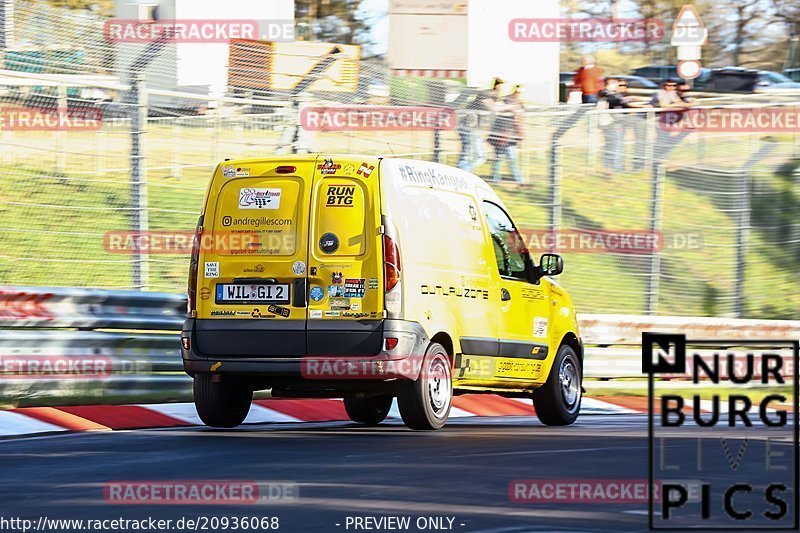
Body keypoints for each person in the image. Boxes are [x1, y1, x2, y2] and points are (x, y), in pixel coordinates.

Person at [600, 78, 649, 173]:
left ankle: (614, 167)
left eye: (623, 85)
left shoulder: (616, 95)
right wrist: (643, 106)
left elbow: (624, 101)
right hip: (612, 124)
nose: (619, 86)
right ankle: (616, 168)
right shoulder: (608, 94)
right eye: (616, 84)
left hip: (617, 123)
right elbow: (622, 102)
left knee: (617, 145)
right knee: (616, 145)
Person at [457, 77, 504, 172]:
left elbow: (498, 106)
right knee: (473, 156)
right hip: (468, 128)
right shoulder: (485, 95)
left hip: (472, 129)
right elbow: (494, 107)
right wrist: (510, 107)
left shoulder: (490, 96)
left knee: (477, 156)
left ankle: (464, 172)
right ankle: (462, 173)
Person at [487, 84, 524, 183]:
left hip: (511, 136)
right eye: (517, 92)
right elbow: (501, 108)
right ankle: (496, 180)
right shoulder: (507, 100)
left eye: (519, 92)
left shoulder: (520, 103)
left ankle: (519, 180)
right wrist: (511, 107)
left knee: (511, 159)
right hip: (502, 134)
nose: (518, 94)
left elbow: (519, 114)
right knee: (500, 158)